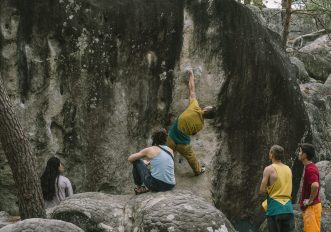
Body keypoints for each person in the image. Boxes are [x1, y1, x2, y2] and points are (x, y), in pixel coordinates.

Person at [166, 70, 216, 176]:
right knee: (191, 156)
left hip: (171, 136)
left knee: (167, 153)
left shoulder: (195, 106)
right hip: (182, 143)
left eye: (208, 106)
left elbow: (192, 90)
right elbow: (193, 133)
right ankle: (198, 170)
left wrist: (191, 76)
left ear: (206, 110)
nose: (207, 106)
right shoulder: (201, 125)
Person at [128, 129, 175, 194]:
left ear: (154, 139)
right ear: (165, 139)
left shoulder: (150, 150)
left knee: (136, 161)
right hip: (170, 185)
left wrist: (142, 163)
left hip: (156, 185)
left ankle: (139, 188)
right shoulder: (170, 150)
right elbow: (162, 161)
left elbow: (130, 158)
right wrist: (148, 162)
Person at [260, 145, 295, 232]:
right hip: (288, 208)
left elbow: (262, 190)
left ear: (272, 155)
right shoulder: (288, 169)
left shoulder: (269, 169)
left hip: (274, 208)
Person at [298, 143, 321, 232]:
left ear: (305, 155)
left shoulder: (310, 169)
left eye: (300, 151)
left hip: (311, 207)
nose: (299, 153)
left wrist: (310, 200)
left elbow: (315, 185)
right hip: (314, 206)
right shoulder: (310, 167)